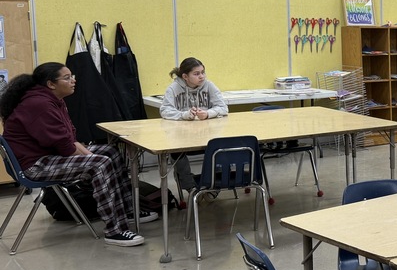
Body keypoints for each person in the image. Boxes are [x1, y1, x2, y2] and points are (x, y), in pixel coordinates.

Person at [0, 63, 158, 246]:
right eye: (67, 78)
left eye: (72, 75)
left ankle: (127, 210)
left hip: (47, 156)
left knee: (110, 152)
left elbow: (70, 139)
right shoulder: (39, 104)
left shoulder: (53, 100)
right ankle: (115, 230)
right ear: (51, 84)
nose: (73, 80)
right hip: (34, 165)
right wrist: (92, 159)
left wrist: (90, 155)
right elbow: (66, 147)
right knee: (100, 164)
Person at [160, 57, 228, 193]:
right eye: (196, 74)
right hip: (182, 136)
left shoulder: (209, 86)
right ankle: (190, 187)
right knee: (177, 152)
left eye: (203, 72)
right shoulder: (173, 89)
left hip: (207, 135)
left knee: (219, 148)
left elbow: (223, 108)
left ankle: (214, 186)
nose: (201, 76)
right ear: (185, 76)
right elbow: (165, 110)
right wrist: (184, 115)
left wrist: (208, 113)